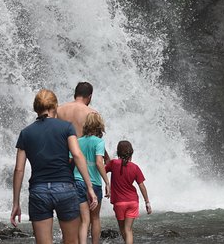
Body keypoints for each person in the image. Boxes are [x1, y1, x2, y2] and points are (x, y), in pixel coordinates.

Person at [11, 89, 98, 244]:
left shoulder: (25, 133)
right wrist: (90, 188)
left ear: (36, 108)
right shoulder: (66, 127)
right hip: (65, 188)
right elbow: (77, 155)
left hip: (39, 191)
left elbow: (19, 169)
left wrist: (16, 202)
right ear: (55, 106)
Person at [74, 113, 111, 244]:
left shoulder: (77, 141)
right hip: (94, 184)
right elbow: (99, 162)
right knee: (95, 218)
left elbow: (70, 160)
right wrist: (107, 182)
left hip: (78, 182)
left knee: (84, 220)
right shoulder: (99, 142)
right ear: (99, 126)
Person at [105, 140, 152, 244]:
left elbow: (102, 170)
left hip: (119, 203)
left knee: (123, 229)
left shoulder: (113, 164)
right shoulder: (135, 167)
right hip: (132, 202)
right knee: (128, 230)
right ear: (131, 153)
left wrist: (106, 184)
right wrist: (147, 202)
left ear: (118, 152)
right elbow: (142, 186)